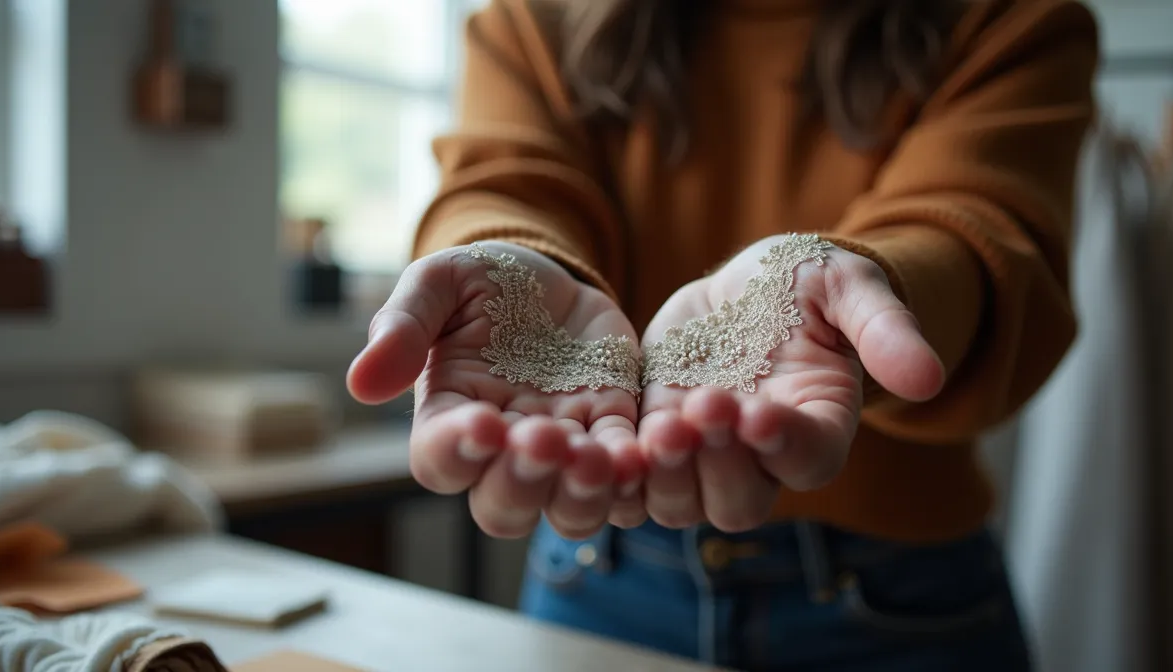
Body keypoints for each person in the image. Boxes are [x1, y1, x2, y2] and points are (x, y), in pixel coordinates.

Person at [347, 0, 1097, 669]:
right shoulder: (535, 17)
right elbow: (507, 180)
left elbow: (982, 226)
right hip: (597, 570)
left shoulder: (1006, 17)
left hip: (905, 599)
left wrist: (858, 285)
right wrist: (511, 258)